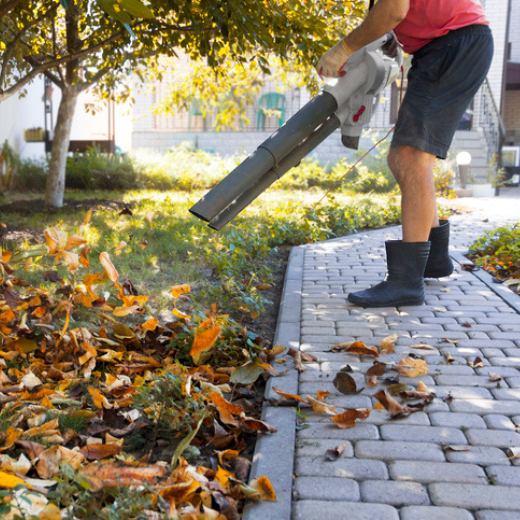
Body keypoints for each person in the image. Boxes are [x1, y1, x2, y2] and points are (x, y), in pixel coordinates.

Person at [317, 0, 493, 307]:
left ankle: (405, 282)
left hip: (453, 43)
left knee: (410, 158)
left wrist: (342, 48)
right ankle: (434, 258)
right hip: (448, 46)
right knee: (405, 160)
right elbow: (391, 21)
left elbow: (393, 11)